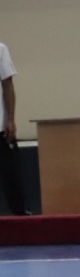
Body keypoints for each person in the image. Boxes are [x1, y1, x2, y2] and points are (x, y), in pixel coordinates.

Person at [0, 41, 28, 216]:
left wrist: (10, 119)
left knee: (11, 176)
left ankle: (20, 216)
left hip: (1, 128)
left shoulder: (0, 49)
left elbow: (7, 84)